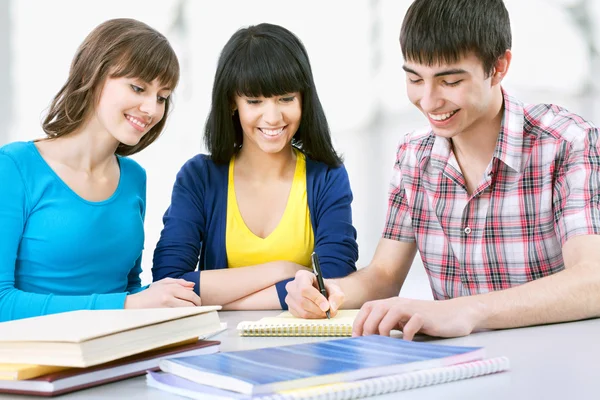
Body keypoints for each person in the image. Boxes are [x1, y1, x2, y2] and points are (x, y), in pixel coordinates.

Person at [285, 0, 600, 340]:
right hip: (455, 370)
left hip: (556, 367)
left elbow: (593, 280)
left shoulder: (568, 142)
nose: (429, 100)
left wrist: (470, 309)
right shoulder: (413, 155)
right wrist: (328, 292)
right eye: (415, 78)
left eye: (449, 81)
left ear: (498, 66)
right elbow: (384, 275)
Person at [0, 18, 201, 322]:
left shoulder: (134, 178)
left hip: (114, 355)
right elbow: (3, 303)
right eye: (138, 88)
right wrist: (129, 305)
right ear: (93, 75)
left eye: (161, 97)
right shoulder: (14, 167)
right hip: (39, 361)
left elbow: (128, 289)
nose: (151, 109)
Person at [152, 23, 359, 310]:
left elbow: (334, 280)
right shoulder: (199, 178)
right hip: (222, 349)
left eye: (286, 98)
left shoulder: (326, 177)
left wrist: (224, 302)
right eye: (254, 101)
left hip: (308, 345)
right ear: (232, 103)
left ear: (304, 99)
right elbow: (169, 285)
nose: (273, 117)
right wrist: (285, 269)